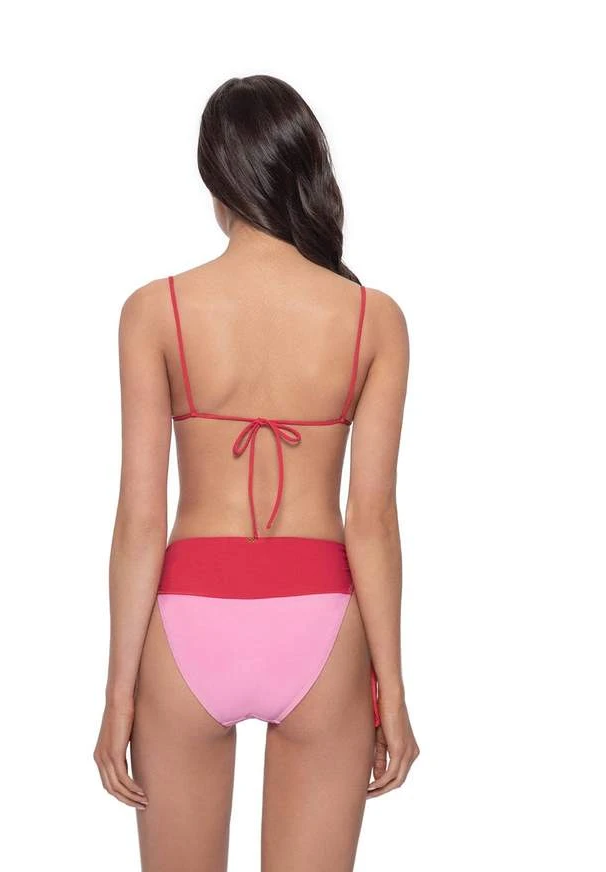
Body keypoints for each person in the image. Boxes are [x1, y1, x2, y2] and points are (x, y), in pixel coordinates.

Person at [94, 74, 419, 872]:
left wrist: (117, 693)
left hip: (188, 622)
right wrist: (393, 688)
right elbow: (371, 521)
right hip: (322, 625)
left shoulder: (156, 310)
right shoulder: (372, 319)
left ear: (216, 177)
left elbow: (141, 519)